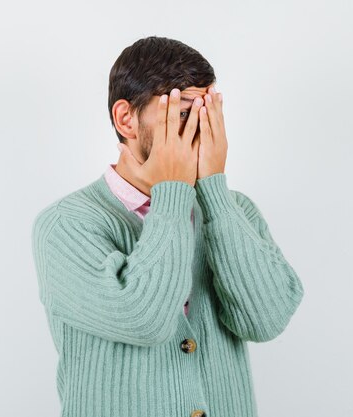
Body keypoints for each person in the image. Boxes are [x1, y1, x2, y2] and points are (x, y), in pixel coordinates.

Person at [31, 35, 304, 417]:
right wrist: (173, 192)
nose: (198, 132)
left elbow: (266, 319)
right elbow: (143, 318)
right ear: (126, 119)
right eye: (182, 115)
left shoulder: (232, 210)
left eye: (207, 116)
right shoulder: (66, 225)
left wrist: (214, 195)